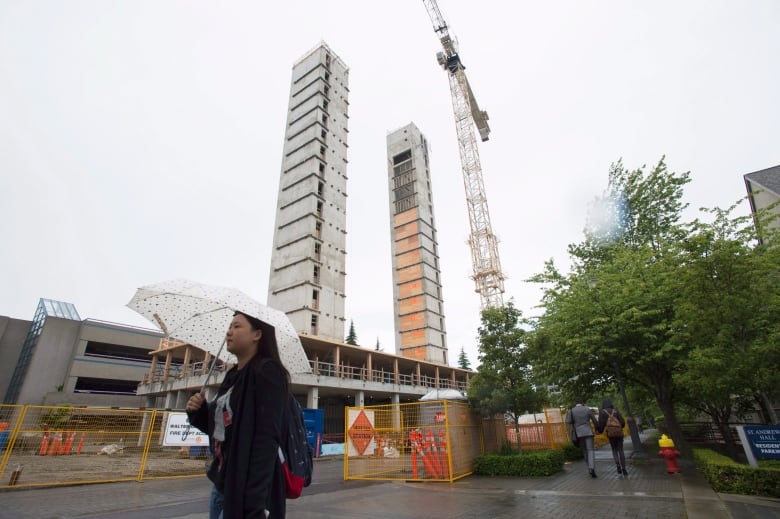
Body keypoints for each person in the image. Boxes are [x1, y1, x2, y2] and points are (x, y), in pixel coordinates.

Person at [186, 311, 290, 519]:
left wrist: (255, 505)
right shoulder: (233, 375)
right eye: (230, 326)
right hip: (223, 484)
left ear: (257, 334)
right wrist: (199, 412)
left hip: (247, 492)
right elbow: (225, 432)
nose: (229, 332)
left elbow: (266, 441)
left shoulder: (267, 373)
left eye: (236, 326)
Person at [568, 397, 599, 477]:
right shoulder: (587, 409)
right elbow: (594, 421)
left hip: (579, 433)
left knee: (584, 450)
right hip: (588, 431)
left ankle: (589, 466)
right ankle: (592, 467)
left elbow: (569, 421)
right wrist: (597, 429)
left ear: (575, 402)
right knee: (590, 450)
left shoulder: (572, 410)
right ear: (582, 402)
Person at [598, 398, 628, 475]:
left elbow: (601, 424)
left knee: (614, 449)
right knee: (621, 450)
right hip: (619, 433)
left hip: (610, 434)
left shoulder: (602, 412)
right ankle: (624, 468)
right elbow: (622, 423)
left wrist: (600, 431)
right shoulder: (615, 411)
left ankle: (618, 464)